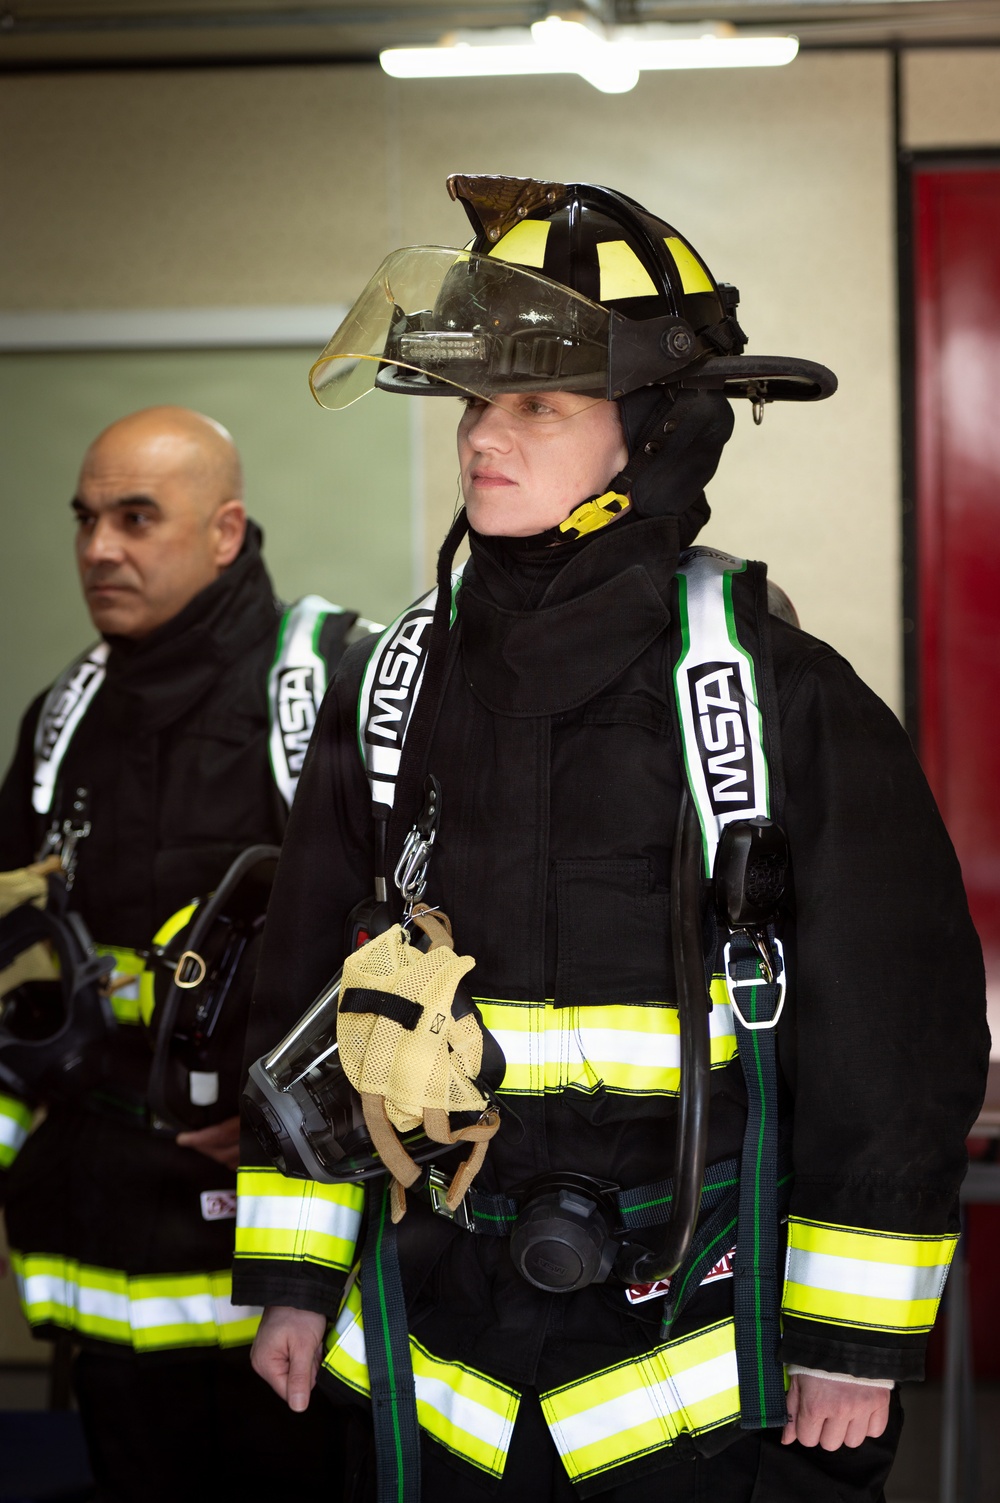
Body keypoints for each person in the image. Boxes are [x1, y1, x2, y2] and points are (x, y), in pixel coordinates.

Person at [235, 178, 990, 1501]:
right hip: (442, 1345)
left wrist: (851, 1340)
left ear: (653, 435)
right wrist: (295, 1278)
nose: (483, 436)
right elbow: (310, 987)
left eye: (538, 405)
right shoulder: (398, 687)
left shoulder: (768, 692)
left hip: (700, 1367)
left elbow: (896, 1031)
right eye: (475, 403)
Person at [0, 406, 377, 1502]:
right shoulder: (64, 716)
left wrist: (306, 1113)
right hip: (104, 1234)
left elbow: (424, 939)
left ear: (224, 530)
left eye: (135, 518)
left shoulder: (332, 687)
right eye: (85, 520)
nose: (98, 549)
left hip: (286, 1246)